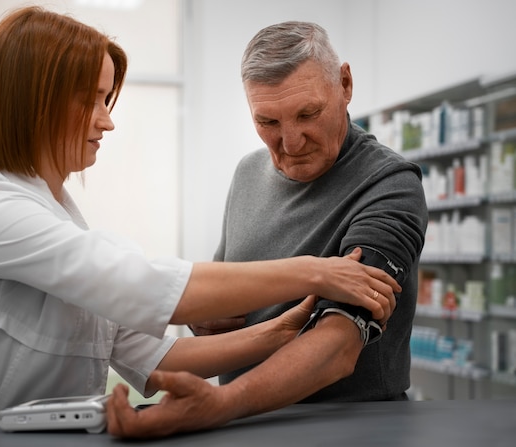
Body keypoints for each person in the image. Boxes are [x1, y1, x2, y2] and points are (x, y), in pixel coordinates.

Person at [0, 9, 399, 425]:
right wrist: (318, 270)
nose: (107, 120)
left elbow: (148, 354)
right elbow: (142, 287)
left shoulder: (61, 221)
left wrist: (275, 332)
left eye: (106, 99)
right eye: (90, 100)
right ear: (36, 103)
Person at [105, 21, 427, 438]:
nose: (290, 142)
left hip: (349, 428)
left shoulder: (389, 184)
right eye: (268, 122)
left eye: (308, 114)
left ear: (345, 84)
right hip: (243, 426)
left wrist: (222, 404)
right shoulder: (248, 173)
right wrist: (205, 321)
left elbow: (340, 344)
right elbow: (223, 291)